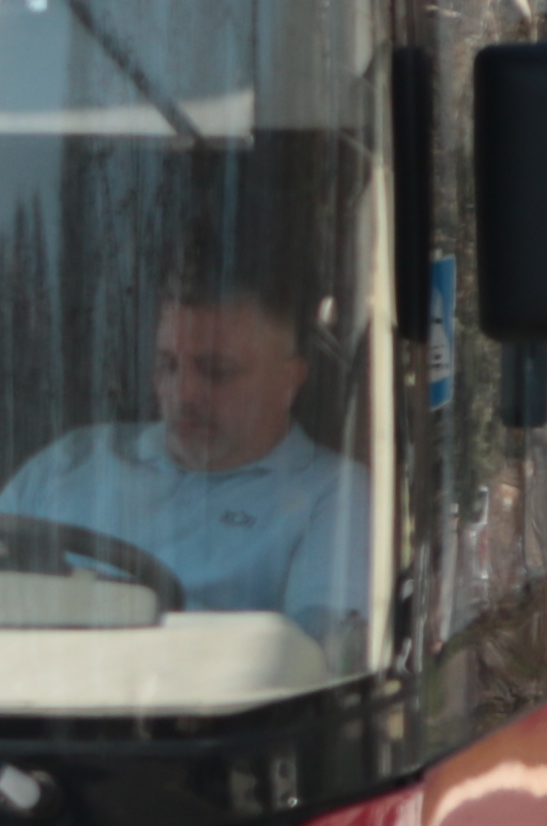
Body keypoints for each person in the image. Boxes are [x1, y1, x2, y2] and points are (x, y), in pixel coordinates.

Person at [2, 266, 363, 641]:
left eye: (216, 371)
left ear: (287, 381)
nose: (183, 393)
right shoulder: (74, 459)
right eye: (167, 366)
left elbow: (320, 655)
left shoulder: (335, 497)